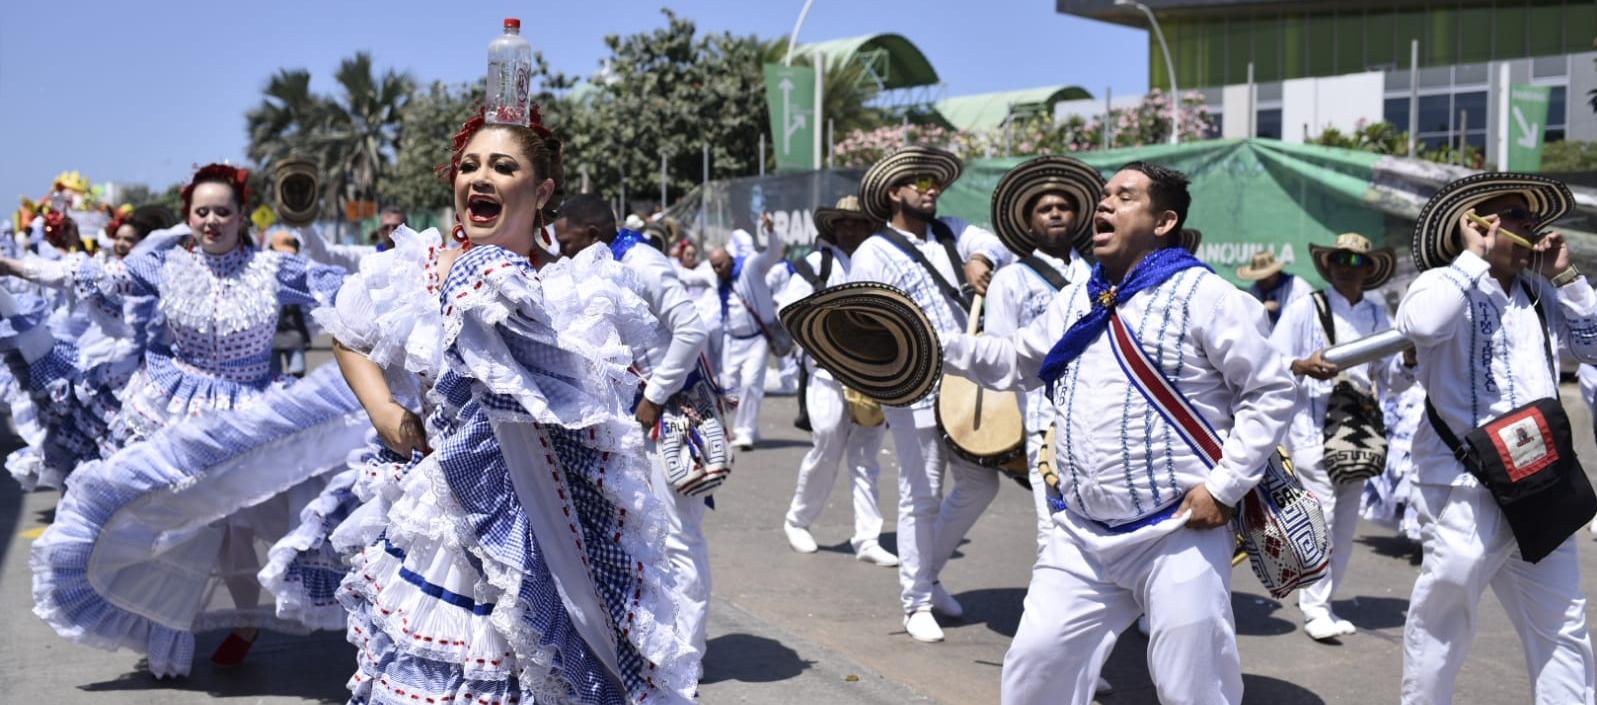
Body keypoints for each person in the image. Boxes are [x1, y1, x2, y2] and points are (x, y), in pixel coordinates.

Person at [325, 108, 700, 704]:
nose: (479, 178)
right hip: (448, 525)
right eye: (468, 166)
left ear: (543, 189)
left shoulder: (577, 288)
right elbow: (348, 333)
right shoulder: (418, 269)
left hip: (558, 530)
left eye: (503, 166)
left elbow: (602, 404)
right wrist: (385, 413)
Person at [941, 161, 1296, 704]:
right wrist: (933, 344)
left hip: (1178, 532)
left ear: (1163, 221)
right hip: (1081, 535)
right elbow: (1017, 358)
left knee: (1192, 688)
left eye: (1124, 196)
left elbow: (1269, 391)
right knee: (1035, 669)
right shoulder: (1078, 297)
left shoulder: (1209, 296)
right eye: (1104, 195)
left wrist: (1224, 488)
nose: (1103, 204)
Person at [12, 163, 367, 676]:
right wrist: (13, 267)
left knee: (244, 531)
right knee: (169, 526)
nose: (212, 221)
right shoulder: (166, 267)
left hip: (249, 415)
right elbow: (86, 274)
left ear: (242, 215)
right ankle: (166, 634)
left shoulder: (272, 269)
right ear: (189, 217)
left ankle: (247, 620)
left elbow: (347, 292)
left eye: (223, 211)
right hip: (175, 410)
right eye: (202, 211)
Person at [1395, 173, 1597, 704]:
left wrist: (1568, 276)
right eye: (1516, 216)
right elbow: (1421, 323)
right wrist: (1472, 258)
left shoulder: (1538, 294)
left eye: (1533, 218)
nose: (1533, 227)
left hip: (1542, 485)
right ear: (1476, 223)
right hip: (1465, 491)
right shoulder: (1442, 283)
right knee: (1444, 623)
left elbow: (1594, 348)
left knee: (1564, 625)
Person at [847, 145, 1015, 643]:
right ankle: (915, 601)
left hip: (968, 382)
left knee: (981, 484)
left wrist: (979, 258)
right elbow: (862, 324)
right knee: (921, 494)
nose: (930, 190)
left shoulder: (954, 232)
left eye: (933, 183)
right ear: (895, 192)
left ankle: (929, 574)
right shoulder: (872, 251)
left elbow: (995, 242)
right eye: (919, 183)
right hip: (913, 385)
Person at [552, 192, 726, 655]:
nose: (562, 251)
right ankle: (660, 643)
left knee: (680, 536)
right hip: (634, 416)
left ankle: (689, 653)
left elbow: (692, 330)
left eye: (567, 243)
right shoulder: (603, 260)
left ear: (592, 235)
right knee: (646, 533)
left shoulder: (644, 263)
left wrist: (653, 396)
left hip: (672, 414)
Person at [1270, 232, 1405, 641]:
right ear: (1328, 265)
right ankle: (1316, 606)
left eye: (1357, 262)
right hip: (1312, 427)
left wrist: (1410, 357)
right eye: (1341, 261)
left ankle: (1321, 599)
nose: (1349, 269)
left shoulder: (1379, 314)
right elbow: (1271, 358)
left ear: (1368, 269)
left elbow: (1393, 377)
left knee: (1345, 521)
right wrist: (1302, 364)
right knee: (1324, 516)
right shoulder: (1305, 308)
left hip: (1358, 431)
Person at [982, 156, 1099, 551]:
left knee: (1102, 528)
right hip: (1043, 421)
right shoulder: (1010, 279)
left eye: (1063, 208)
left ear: (1077, 217)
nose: (1055, 214)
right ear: (1029, 222)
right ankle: (1048, 614)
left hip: (1101, 419)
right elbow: (999, 354)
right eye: (1045, 209)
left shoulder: (1100, 275)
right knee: (1053, 532)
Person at [779, 195, 898, 568]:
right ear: (833, 227)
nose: (851, 229)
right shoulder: (815, 265)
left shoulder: (882, 262)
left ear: (868, 227)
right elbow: (788, 312)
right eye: (844, 223)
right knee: (827, 440)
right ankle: (798, 519)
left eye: (858, 223)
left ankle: (867, 536)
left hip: (872, 374)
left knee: (867, 457)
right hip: (827, 372)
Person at [710, 224, 785, 450]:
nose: (717, 270)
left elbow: (773, 254)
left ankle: (745, 432)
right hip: (732, 340)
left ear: (731, 258)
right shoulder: (718, 278)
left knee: (751, 383)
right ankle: (747, 426)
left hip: (757, 338)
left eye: (720, 265)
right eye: (713, 266)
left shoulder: (751, 266)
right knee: (729, 387)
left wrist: (771, 232)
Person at [1237, 249, 1311, 326]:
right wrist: (1260, 312)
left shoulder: (1298, 287)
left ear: (1275, 272)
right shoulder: (1253, 291)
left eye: (1266, 276)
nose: (1262, 280)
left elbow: (1309, 318)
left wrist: (1280, 313)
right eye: (1259, 277)